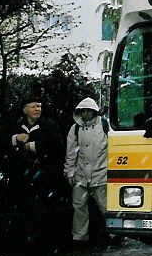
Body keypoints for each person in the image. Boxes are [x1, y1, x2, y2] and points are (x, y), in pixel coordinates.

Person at [9, 97, 64, 242]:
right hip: (22, 176)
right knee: (24, 208)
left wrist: (35, 146)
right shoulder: (16, 125)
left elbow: (58, 147)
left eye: (39, 106)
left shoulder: (49, 125)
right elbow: (1, 143)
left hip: (44, 175)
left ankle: (46, 240)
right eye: (33, 106)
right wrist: (15, 139)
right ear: (24, 109)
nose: (37, 109)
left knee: (46, 209)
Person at [64, 97, 108, 246]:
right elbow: (71, 153)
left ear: (94, 111)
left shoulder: (105, 126)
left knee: (106, 208)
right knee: (79, 208)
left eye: (88, 111)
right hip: (80, 176)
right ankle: (79, 238)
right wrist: (69, 172)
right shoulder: (75, 129)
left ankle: (114, 234)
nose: (86, 114)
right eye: (83, 111)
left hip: (102, 175)